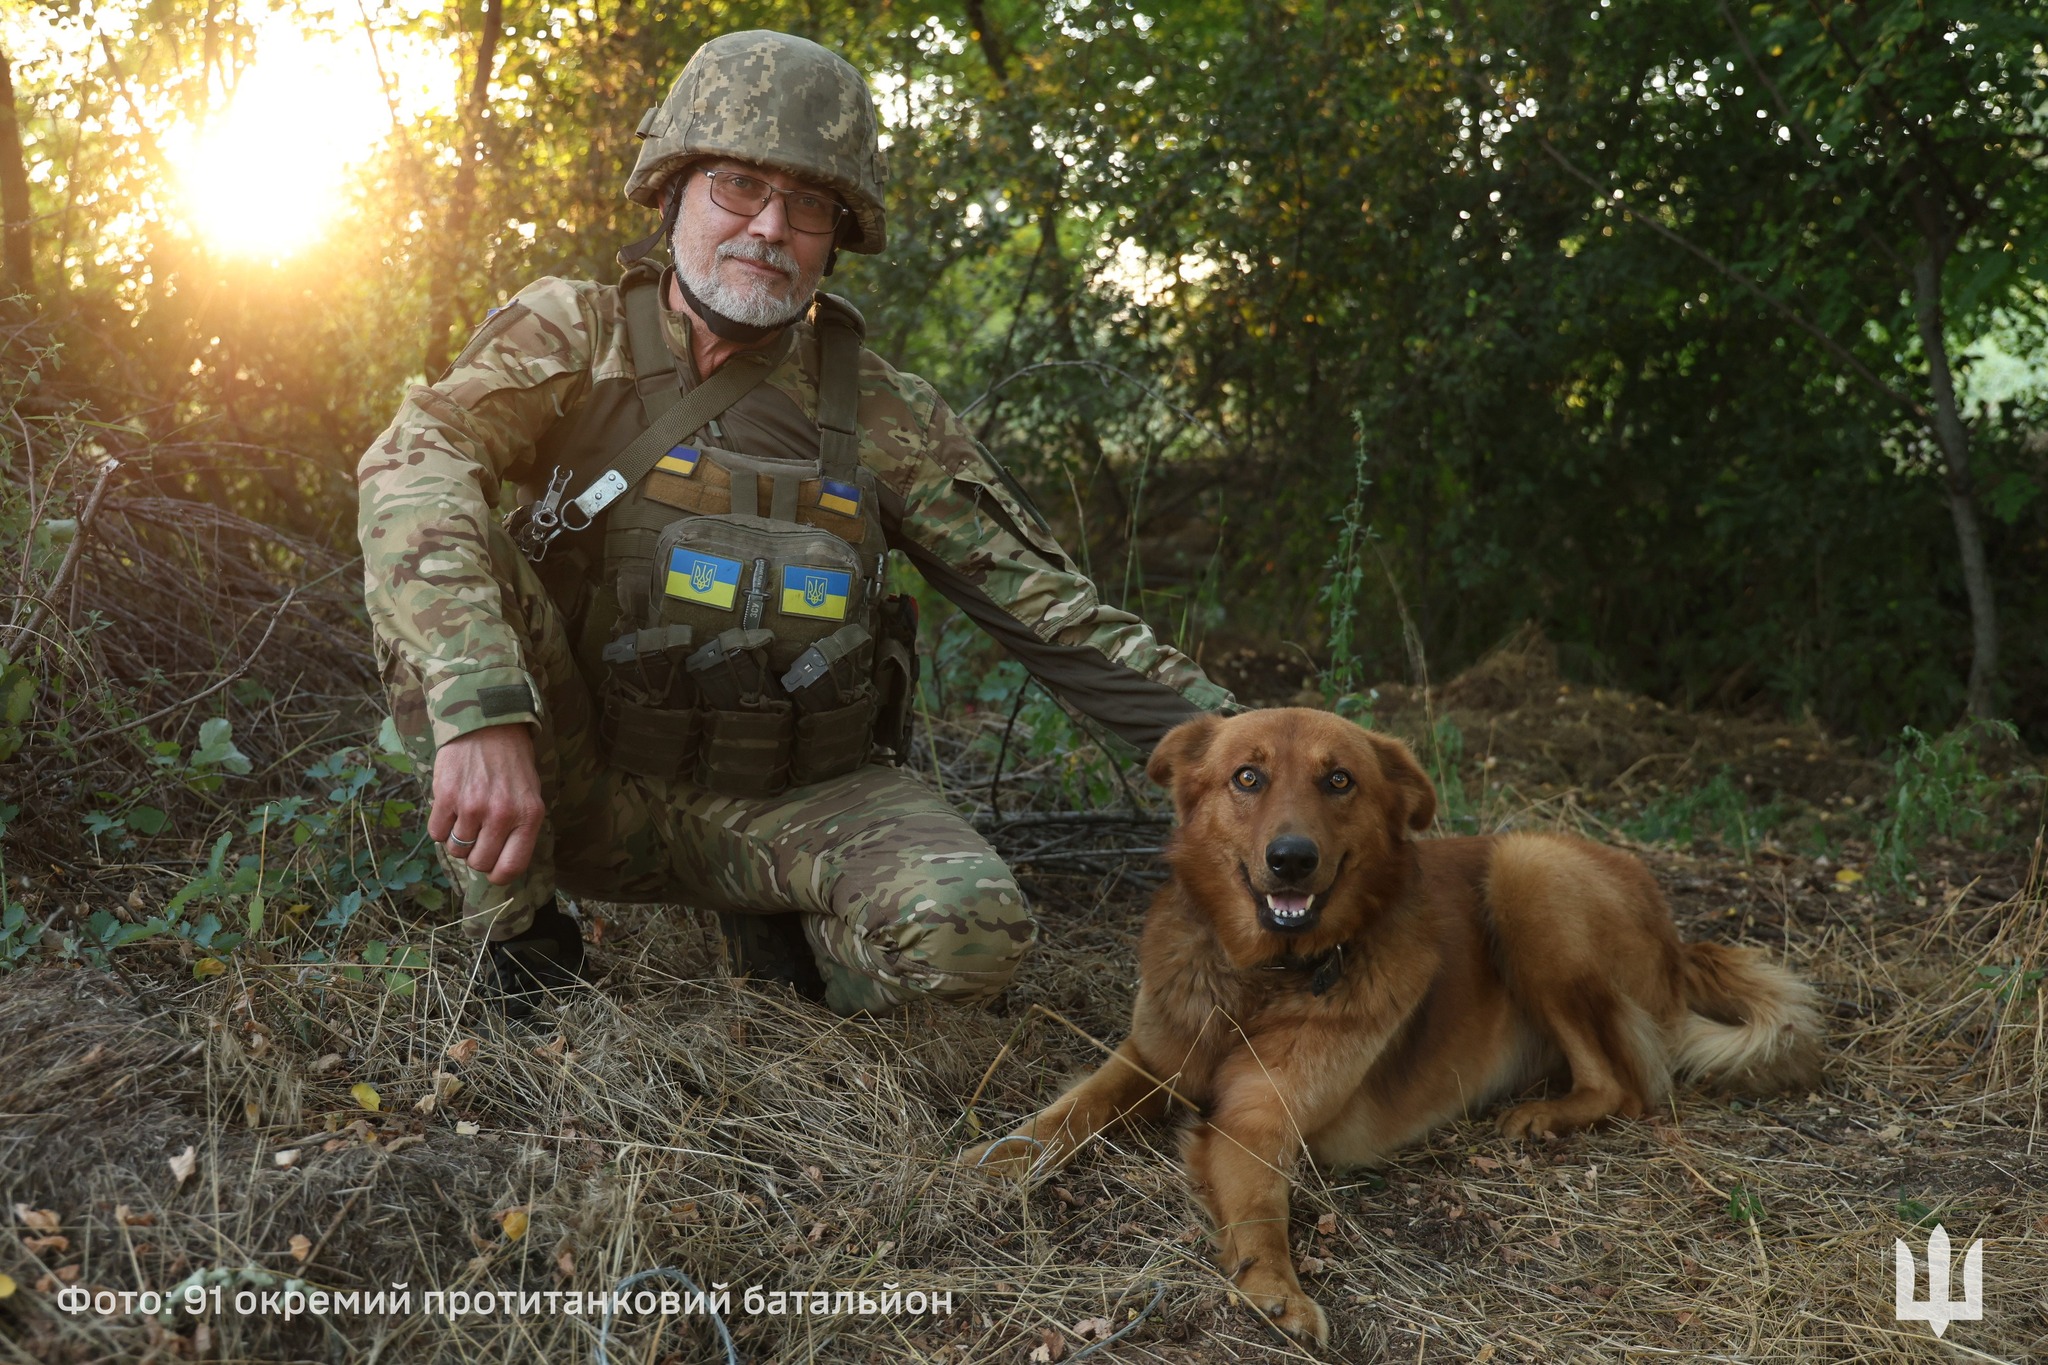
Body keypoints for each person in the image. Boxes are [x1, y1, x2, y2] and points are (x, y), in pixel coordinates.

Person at [358, 29, 1236, 1017]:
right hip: (581, 779)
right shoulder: (574, 334)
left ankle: (787, 930)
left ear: (835, 234)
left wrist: (1271, 761)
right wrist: (483, 711)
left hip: (790, 799)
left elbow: (1055, 618)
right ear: (673, 190)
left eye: (808, 204)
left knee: (968, 935)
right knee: (436, 538)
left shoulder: (882, 413)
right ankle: (522, 943)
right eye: (738, 185)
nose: (770, 227)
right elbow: (413, 463)